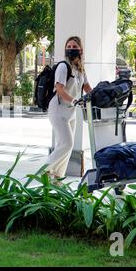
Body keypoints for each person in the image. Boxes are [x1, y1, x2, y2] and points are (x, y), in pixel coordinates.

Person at [44, 36, 92, 180]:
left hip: (71, 112)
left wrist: (101, 96)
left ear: (80, 50)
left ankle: (57, 179)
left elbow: (88, 88)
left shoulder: (80, 69)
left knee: (67, 146)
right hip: (58, 110)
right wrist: (75, 100)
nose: (71, 49)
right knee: (66, 143)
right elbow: (59, 89)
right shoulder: (63, 66)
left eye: (74, 47)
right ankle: (43, 171)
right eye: (69, 47)